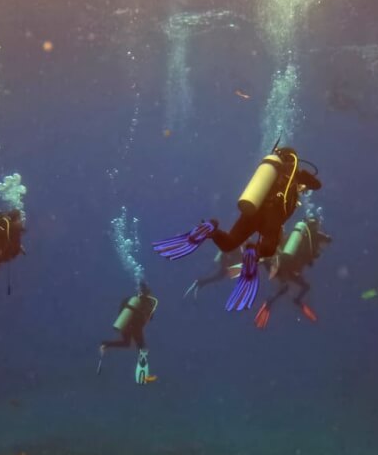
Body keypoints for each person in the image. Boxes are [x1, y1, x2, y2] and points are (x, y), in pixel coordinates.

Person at [153, 144, 322, 313]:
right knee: (269, 248)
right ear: (293, 160)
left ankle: (211, 229)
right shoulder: (295, 175)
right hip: (273, 215)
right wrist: (301, 175)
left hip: (251, 213)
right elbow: (317, 185)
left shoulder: (269, 171)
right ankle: (252, 253)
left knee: (229, 243)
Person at [254, 216, 333, 329]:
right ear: (315, 225)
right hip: (290, 269)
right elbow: (329, 239)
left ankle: (257, 263)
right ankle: (297, 301)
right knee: (303, 286)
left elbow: (282, 244)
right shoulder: (315, 235)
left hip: (282, 264)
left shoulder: (297, 234)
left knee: (284, 284)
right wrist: (325, 235)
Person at [98, 283, 159, 385]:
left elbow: (120, 311)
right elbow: (150, 317)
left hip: (125, 326)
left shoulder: (129, 299)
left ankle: (105, 344)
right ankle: (143, 376)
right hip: (136, 327)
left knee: (126, 343)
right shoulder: (148, 302)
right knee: (142, 349)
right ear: (147, 292)